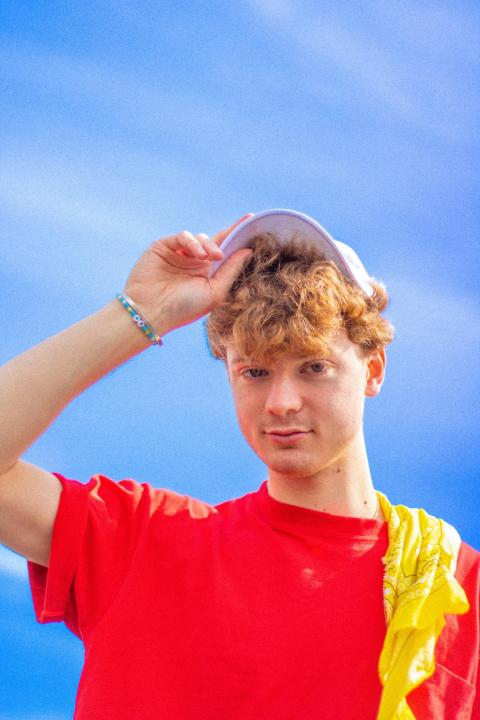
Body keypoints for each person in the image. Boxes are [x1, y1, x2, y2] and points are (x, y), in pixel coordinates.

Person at [0, 209, 478, 719]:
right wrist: (141, 311)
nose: (281, 401)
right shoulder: (144, 541)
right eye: (254, 371)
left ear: (373, 369)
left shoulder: (454, 589)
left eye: (314, 366)